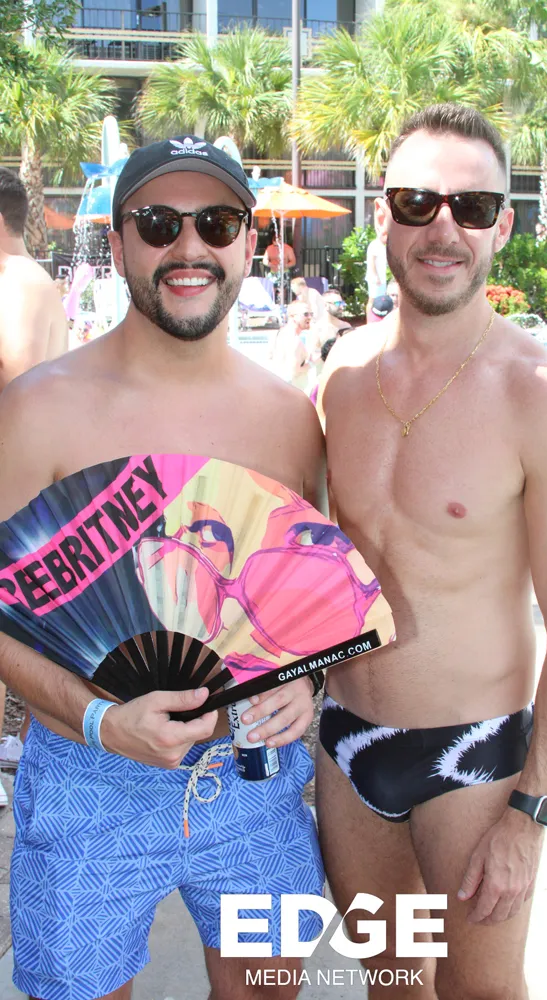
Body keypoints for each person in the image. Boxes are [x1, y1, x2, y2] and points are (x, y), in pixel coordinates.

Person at [0, 136, 326, 1000]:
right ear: (117, 246)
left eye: (215, 224)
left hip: (253, 781)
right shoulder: (37, 411)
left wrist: (307, 681)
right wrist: (102, 720)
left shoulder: (290, 419)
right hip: (88, 782)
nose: (189, 247)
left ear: (247, 244)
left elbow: (305, 596)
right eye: (157, 224)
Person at [316, 104, 547, 1000]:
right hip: (344, 743)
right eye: (417, 203)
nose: (442, 229)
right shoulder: (338, 374)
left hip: (473, 757)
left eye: (471, 208)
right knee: (391, 983)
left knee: (480, 991)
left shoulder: (543, 399)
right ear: (383, 215)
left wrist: (530, 811)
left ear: (502, 227)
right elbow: (301, 563)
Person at [0, 167, 69, 797]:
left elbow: (16, 378)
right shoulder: (33, 279)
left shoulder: (16, 282)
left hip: (20, 479)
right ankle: (17, 747)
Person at [268, 298, 312, 390]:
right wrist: (312, 363)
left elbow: (271, 358)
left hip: (277, 387)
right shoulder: (294, 340)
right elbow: (294, 371)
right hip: (291, 390)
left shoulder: (279, 334)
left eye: (311, 314)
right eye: (305, 314)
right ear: (292, 317)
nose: (309, 317)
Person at [365, 231, 388, 320]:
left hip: (381, 278)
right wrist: (375, 276)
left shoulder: (382, 246)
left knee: (379, 300)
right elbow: (371, 261)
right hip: (375, 279)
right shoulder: (375, 245)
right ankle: (369, 320)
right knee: (372, 300)